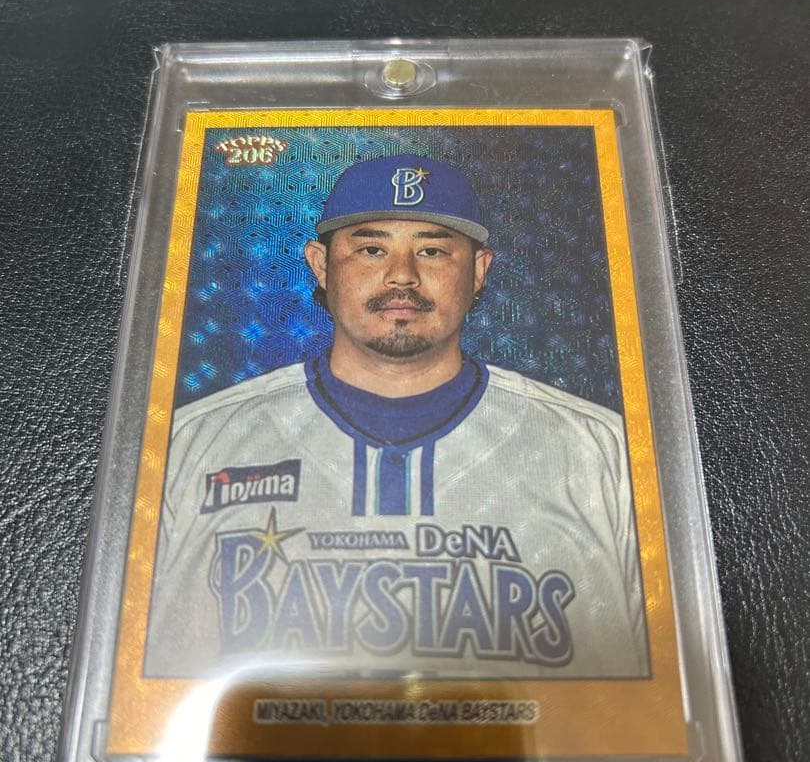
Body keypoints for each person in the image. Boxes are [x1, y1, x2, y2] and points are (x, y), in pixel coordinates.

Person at [144, 154, 649, 679]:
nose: (402, 276)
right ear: (321, 265)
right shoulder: (193, 442)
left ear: (478, 271)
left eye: (432, 251)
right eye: (371, 249)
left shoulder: (599, 449)